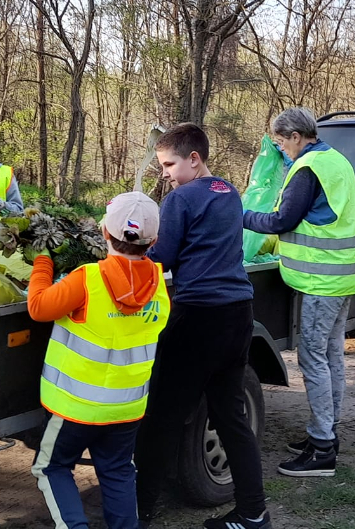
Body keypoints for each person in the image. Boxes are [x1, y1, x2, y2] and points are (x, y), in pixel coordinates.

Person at [136, 123, 269, 529]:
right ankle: (253, 512)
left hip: (199, 317)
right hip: (238, 313)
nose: (165, 173)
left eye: (169, 164)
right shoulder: (229, 191)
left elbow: (162, 260)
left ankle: (138, 510)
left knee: (161, 416)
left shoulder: (182, 198)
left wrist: (129, 249)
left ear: (194, 159)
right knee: (230, 417)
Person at [27, 192, 169, 529]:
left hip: (76, 407)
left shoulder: (87, 278)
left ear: (104, 232)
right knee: (118, 470)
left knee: (51, 467)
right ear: (155, 241)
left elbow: (38, 307)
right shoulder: (159, 285)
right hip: (127, 407)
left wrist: (43, 263)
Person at [242, 107, 355, 478]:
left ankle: (323, 450)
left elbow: (282, 220)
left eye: (281, 141)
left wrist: (240, 214)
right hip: (346, 277)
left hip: (322, 282)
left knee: (314, 358)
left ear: (296, 136)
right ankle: (326, 434)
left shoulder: (307, 168)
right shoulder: (335, 159)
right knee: (332, 357)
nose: (280, 148)